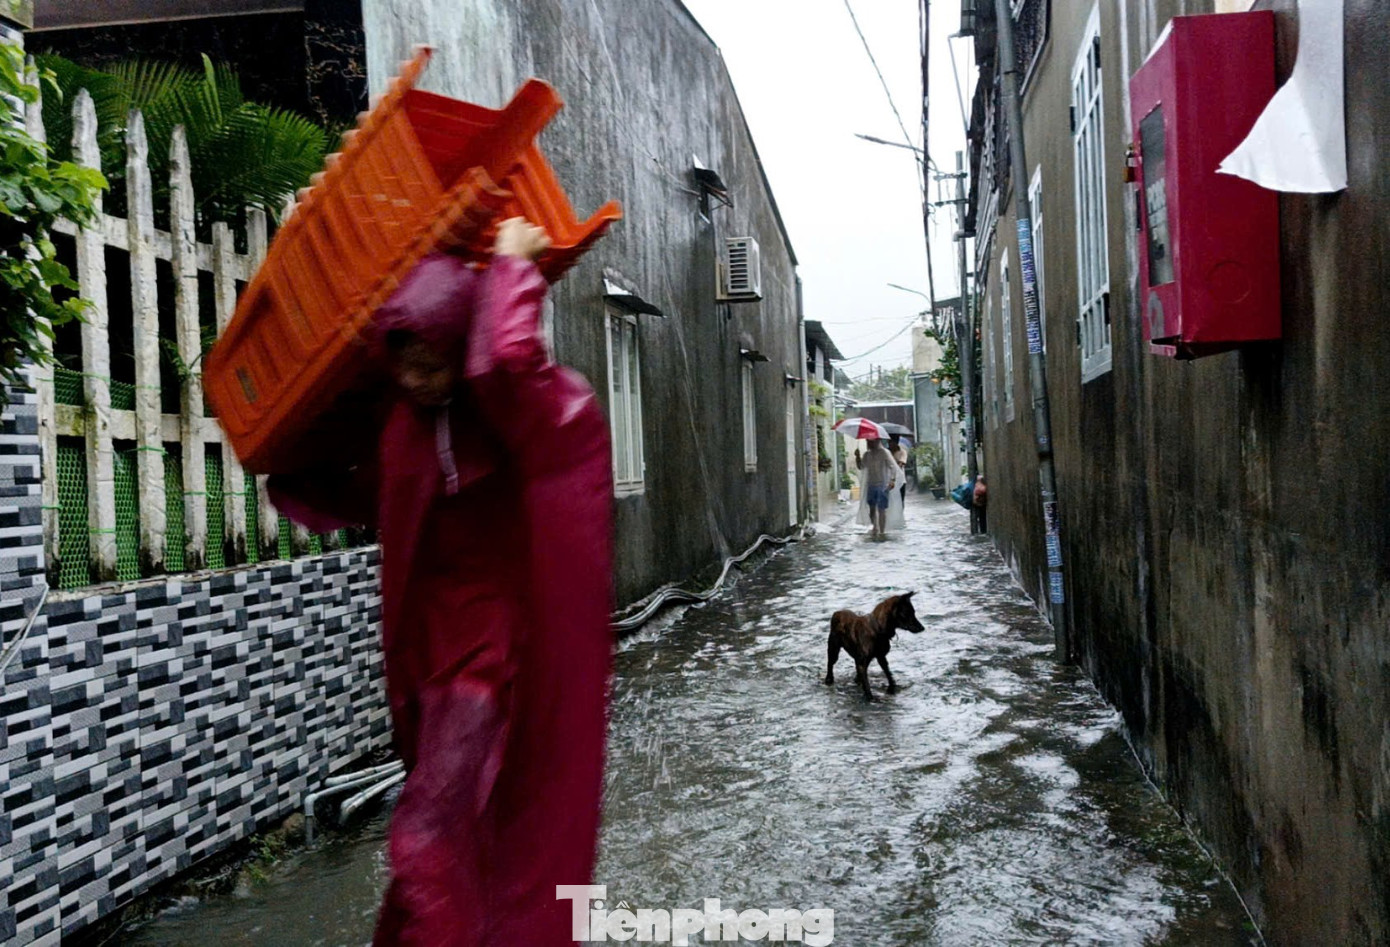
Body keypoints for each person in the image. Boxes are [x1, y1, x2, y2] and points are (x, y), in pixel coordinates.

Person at [269, 218, 613, 945]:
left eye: (434, 361)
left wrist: (512, 268)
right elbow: (368, 491)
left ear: (463, 342)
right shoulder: (404, 427)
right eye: (407, 367)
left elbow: (510, 363)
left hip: (497, 654)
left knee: (436, 824)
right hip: (434, 652)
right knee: (456, 817)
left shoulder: (507, 410)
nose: (422, 380)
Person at [855, 438, 896, 539]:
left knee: (882, 508)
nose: (868, 443)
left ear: (877, 441)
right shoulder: (867, 455)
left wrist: (892, 480)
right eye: (867, 441)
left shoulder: (885, 453)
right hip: (871, 484)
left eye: (870, 441)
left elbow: (893, 467)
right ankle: (875, 526)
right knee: (872, 508)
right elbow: (861, 466)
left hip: (883, 484)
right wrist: (857, 457)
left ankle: (882, 530)